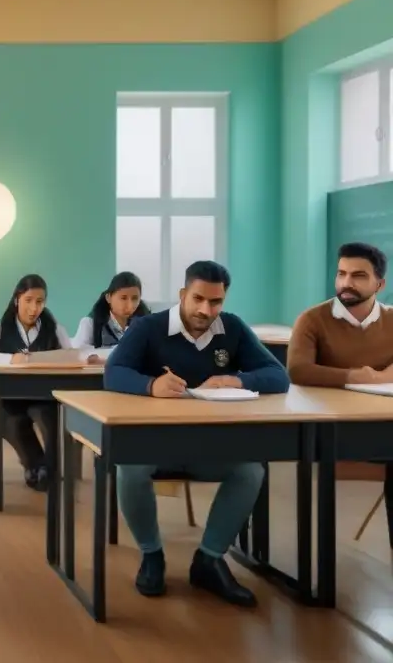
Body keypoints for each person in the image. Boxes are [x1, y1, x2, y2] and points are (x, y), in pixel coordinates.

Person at [104, 260, 289, 608]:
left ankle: (209, 559)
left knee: (250, 470)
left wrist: (239, 379)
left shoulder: (232, 328)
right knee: (130, 467)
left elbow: (278, 376)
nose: (207, 310)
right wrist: (150, 385)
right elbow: (113, 373)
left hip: (210, 446)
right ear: (182, 294)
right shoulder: (148, 327)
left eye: (216, 302)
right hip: (154, 445)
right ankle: (152, 555)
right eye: (199, 299)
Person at [286, 242, 393, 545]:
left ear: (379, 284)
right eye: (341, 274)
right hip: (331, 428)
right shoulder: (313, 319)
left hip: (384, 423)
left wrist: (382, 377)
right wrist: (356, 376)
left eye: (358, 276)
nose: (346, 283)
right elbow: (298, 370)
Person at [0, 274, 73, 492]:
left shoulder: (55, 330)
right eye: (28, 300)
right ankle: (38, 469)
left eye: (39, 302)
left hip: (43, 396)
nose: (34, 307)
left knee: (51, 420)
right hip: (8, 399)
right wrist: (11, 359)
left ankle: (49, 471)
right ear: (17, 299)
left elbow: (70, 356)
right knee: (16, 424)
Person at [72, 271, 151, 351]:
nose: (130, 305)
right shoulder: (91, 322)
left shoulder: (145, 321)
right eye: (123, 298)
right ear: (108, 298)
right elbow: (78, 350)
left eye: (135, 298)